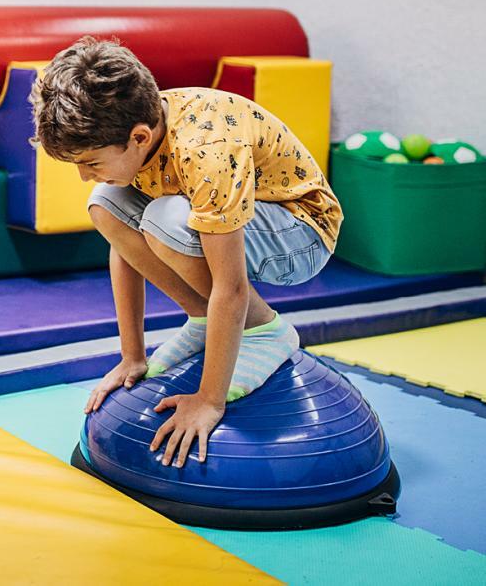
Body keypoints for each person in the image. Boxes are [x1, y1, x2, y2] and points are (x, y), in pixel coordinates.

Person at [29, 37, 342, 469]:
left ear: (138, 137)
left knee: (167, 219)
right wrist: (132, 356)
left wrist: (209, 400)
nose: (84, 175)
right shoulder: (141, 134)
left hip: (302, 234)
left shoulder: (206, 152)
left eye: (91, 163)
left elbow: (230, 288)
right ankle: (200, 315)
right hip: (243, 225)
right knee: (105, 204)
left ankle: (266, 330)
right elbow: (123, 250)